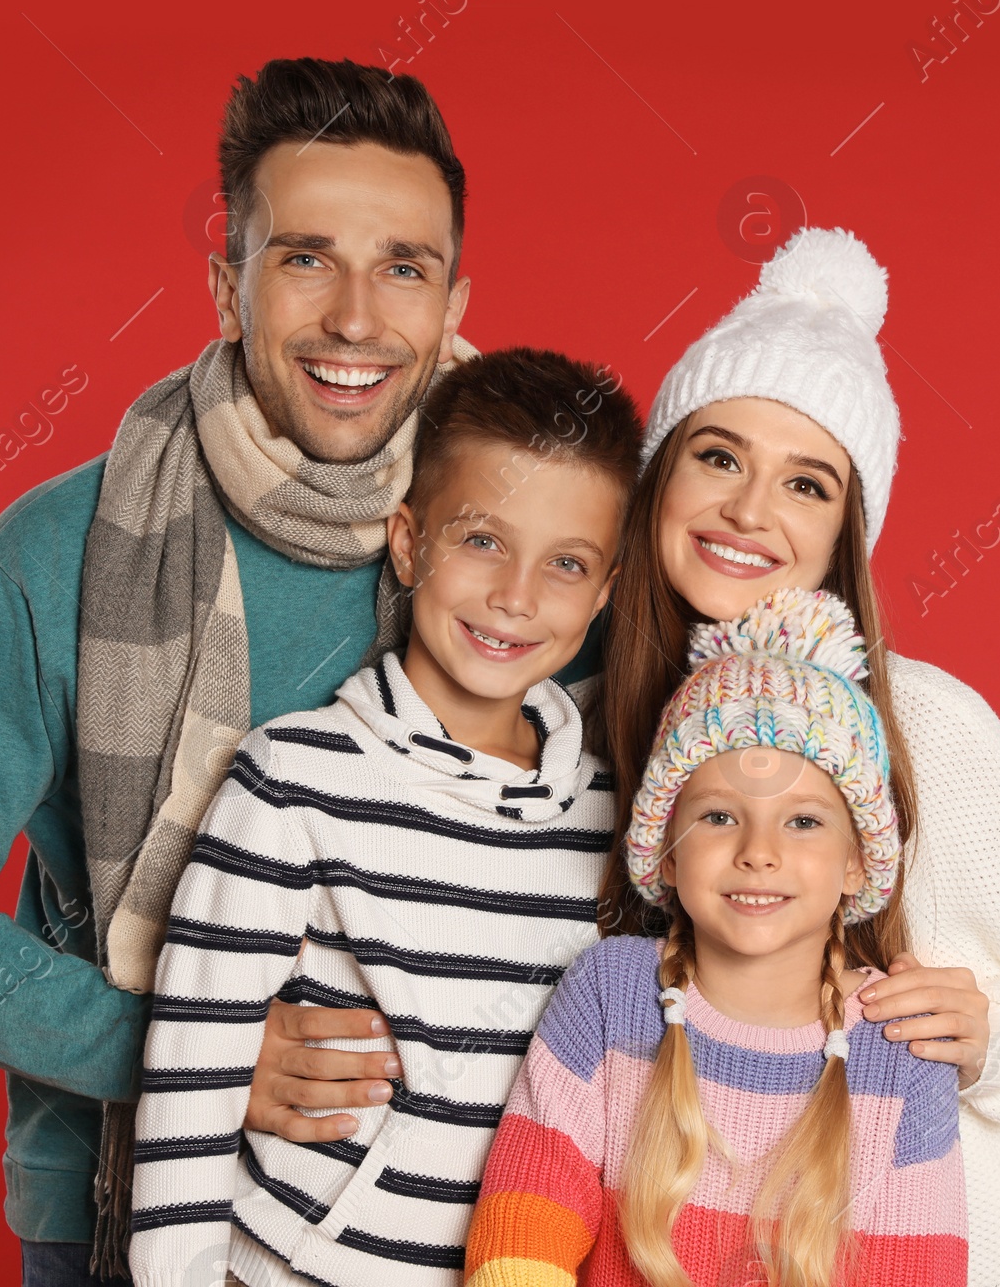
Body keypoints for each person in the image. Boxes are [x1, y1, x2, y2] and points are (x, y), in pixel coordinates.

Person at [0, 57, 570, 1285]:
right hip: (118, 1203)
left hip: (465, 1210)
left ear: (452, 298)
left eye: (403, 268)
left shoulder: (537, 566)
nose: (355, 319)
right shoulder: (57, 554)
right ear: (229, 287)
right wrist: (193, 1050)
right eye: (305, 257)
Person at [591, 226, 1000, 1287]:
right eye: (717, 456)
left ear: (849, 527)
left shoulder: (919, 726)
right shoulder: (585, 726)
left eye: (806, 484)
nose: (749, 511)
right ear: (657, 476)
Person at [126, 348, 641, 1287]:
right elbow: (191, 1076)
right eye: (481, 540)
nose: (516, 595)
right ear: (409, 543)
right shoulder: (294, 780)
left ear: (605, 593)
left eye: (566, 563)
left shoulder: (616, 822)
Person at [467, 586, 968, 1287]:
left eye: (803, 822)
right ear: (667, 850)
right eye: (719, 817)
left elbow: (921, 1270)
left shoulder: (898, 1050)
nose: (758, 852)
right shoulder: (612, 995)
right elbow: (523, 1230)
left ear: (857, 861)